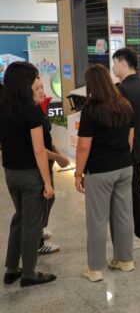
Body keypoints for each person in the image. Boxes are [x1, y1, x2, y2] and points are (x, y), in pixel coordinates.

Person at [75, 64, 135, 281]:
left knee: (97, 220)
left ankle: (95, 268)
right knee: (123, 215)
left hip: (100, 170)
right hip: (125, 167)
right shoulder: (125, 105)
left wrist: (78, 173)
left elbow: (84, 146)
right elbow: (130, 139)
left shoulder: (91, 110)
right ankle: (125, 260)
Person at [0, 61, 56, 287]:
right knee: (32, 223)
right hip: (30, 175)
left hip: (10, 172)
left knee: (19, 219)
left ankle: (11, 269)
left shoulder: (4, 108)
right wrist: (47, 183)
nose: (37, 81)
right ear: (25, 82)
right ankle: (30, 273)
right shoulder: (31, 111)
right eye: (34, 77)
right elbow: (39, 150)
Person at [112, 47, 140, 249]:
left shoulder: (124, 89)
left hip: (128, 145)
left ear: (123, 63)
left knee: (133, 190)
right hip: (139, 144)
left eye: (114, 63)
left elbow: (124, 123)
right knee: (137, 188)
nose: (113, 68)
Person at [33, 80, 70, 254]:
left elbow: (48, 136)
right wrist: (59, 158)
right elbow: (38, 148)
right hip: (39, 166)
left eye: (42, 87)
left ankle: (39, 232)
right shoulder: (30, 113)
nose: (42, 91)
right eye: (37, 88)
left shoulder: (38, 111)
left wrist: (58, 153)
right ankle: (38, 242)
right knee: (43, 201)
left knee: (48, 200)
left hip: (48, 163)